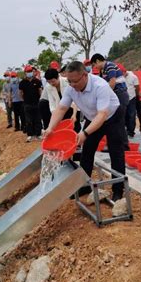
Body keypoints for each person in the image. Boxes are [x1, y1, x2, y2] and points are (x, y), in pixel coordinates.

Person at [44, 61, 126, 201]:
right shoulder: (71, 88)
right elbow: (62, 108)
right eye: (69, 81)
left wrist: (85, 133)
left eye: (75, 81)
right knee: (87, 151)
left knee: (116, 152)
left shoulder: (100, 86)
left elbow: (102, 115)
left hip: (112, 117)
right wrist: (50, 128)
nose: (72, 85)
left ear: (85, 76)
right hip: (92, 117)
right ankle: (84, 185)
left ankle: (118, 190)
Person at [91, 53, 130, 150]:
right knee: (114, 121)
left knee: (119, 121)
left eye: (94, 65)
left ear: (97, 61)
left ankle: (123, 145)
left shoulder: (110, 66)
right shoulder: (104, 69)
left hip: (120, 95)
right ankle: (117, 144)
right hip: (116, 95)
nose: (95, 67)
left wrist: (105, 96)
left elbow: (112, 83)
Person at [44, 68, 81, 132]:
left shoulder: (67, 82)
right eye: (49, 82)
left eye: (53, 81)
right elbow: (52, 104)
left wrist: (74, 115)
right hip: (60, 110)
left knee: (75, 127)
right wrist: (54, 119)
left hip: (73, 108)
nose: (51, 84)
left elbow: (74, 100)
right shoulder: (48, 87)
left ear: (58, 77)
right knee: (63, 128)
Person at [19, 65, 43, 142]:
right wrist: (24, 101)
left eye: (30, 71)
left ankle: (38, 134)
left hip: (36, 103)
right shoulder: (22, 82)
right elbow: (20, 93)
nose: (29, 73)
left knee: (37, 119)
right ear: (25, 73)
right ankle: (30, 135)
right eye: (27, 71)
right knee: (28, 120)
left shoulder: (37, 81)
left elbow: (40, 91)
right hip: (27, 104)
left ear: (32, 72)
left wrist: (40, 99)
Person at [118, 63, 140, 138]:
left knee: (132, 115)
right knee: (124, 115)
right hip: (123, 98)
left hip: (131, 98)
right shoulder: (119, 78)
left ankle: (131, 131)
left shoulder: (133, 77)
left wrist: (137, 95)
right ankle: (125, 130)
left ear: (125, 71)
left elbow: (137, 87)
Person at [39, 61, 60, 130]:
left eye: (56, 69)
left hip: (55, 103)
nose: (51, 83)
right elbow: (52, 103)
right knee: (48, 123)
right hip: (45, 103)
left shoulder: (64, 81)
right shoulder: (49, 85)